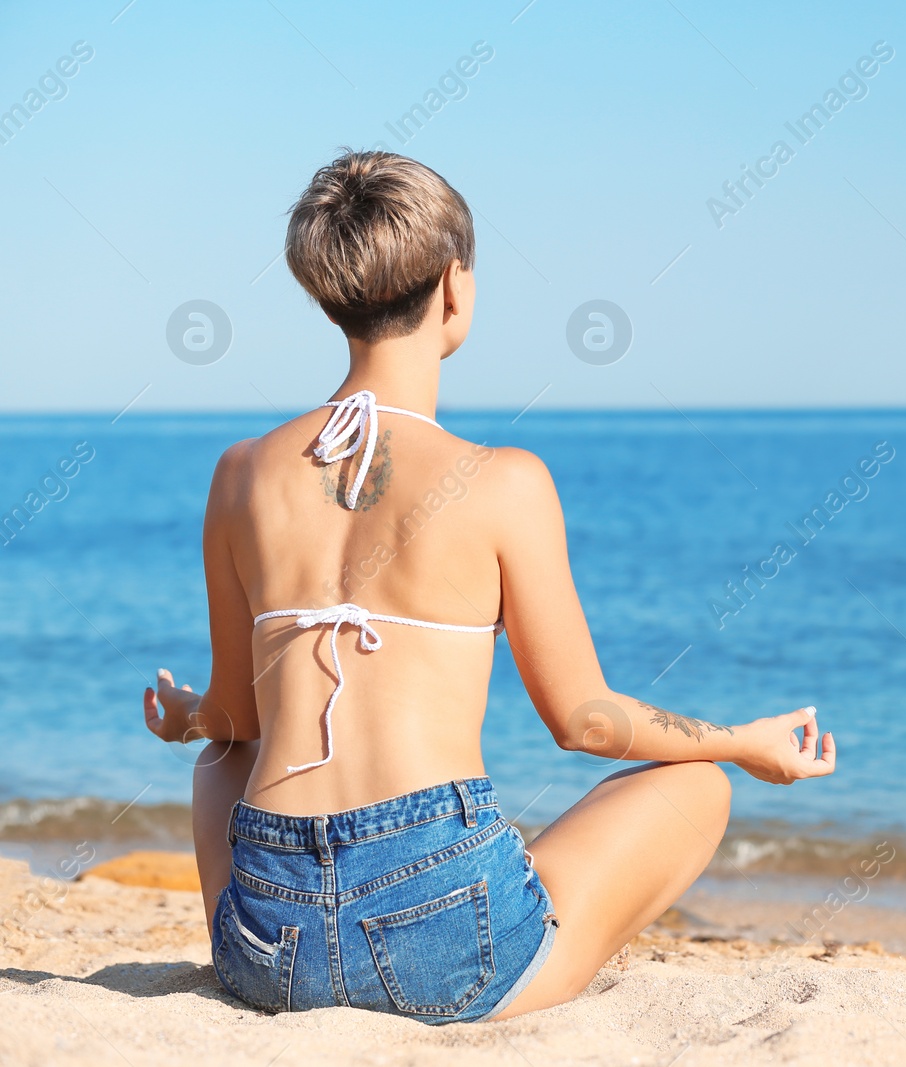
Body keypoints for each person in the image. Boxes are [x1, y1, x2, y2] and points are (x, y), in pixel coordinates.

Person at [139, 150, 836, 1023]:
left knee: (219, 762)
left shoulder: (240, 474)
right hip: (438, 927)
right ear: (454, 289)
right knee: (699, 785)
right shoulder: (502, 481)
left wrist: (189, 717)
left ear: (327, 295)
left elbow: (237, 722)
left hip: (269, 947)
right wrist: (741, 740)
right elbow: (584, 720)